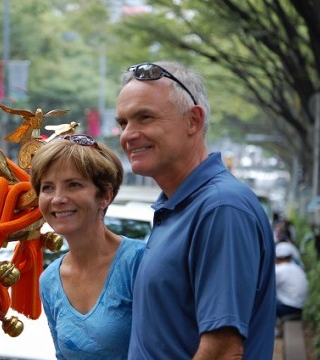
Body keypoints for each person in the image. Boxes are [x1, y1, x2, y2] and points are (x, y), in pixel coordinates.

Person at [115, 62, 276, 359]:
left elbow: (222, 350)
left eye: (144, 117)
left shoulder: (221, 208)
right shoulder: (179, 205)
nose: (128, 135)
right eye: (123, 123)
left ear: (193, 120)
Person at [30, 134, 146, 359]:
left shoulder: (139, 262)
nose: (58, 198)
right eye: (47, 187)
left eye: (73, 185)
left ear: (104, 195)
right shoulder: (50, 280)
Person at [275, 242, 308, 321]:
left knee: (264, 303)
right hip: (300, 307)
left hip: (287, 308)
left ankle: (272, 330)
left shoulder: (278, 270)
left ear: (277, 257)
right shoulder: (298, 268)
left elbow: (267, 289)